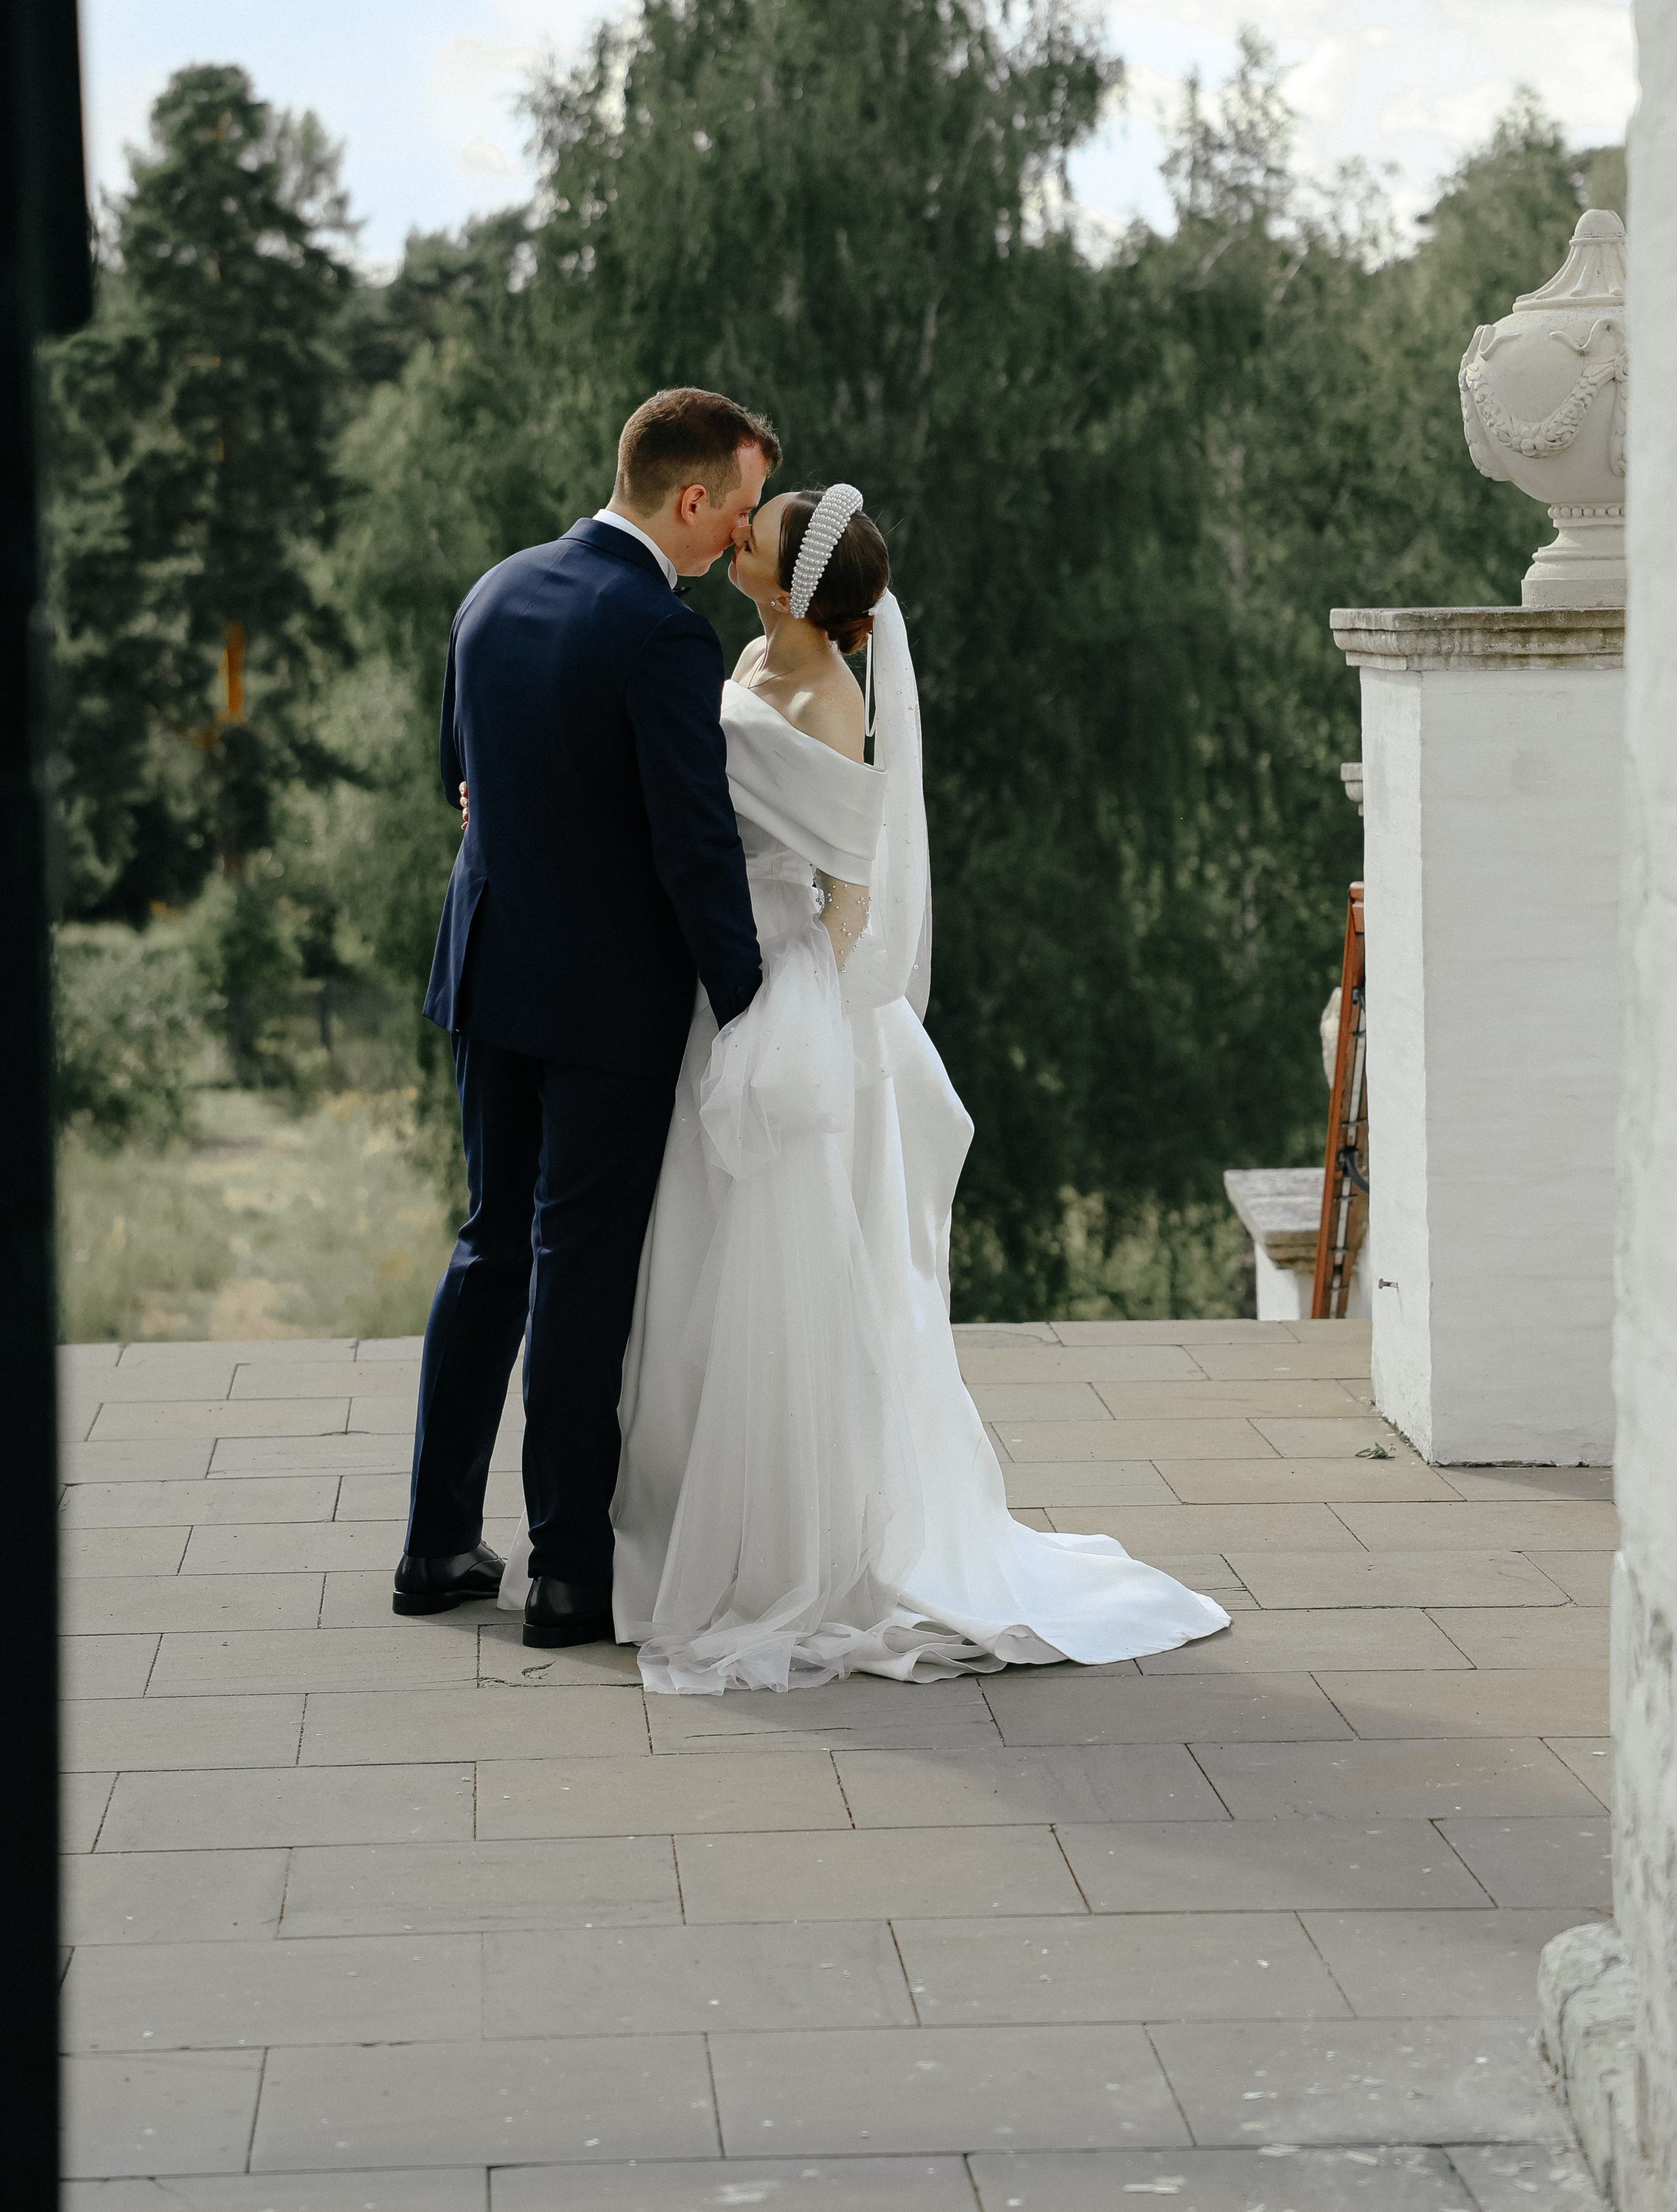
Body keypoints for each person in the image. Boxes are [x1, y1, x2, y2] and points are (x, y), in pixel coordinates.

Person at [588, 482, 1232, 1691]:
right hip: (720, 985)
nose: (741, 527)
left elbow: (854, 899)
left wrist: (794, 1025)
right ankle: (689, 1519)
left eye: (760, 527)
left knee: (785, 1273)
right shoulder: (747, 654)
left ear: (787, 583)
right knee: (696, 1262)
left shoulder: (833, 699)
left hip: (790, 999)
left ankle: (791, 1541)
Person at [395, 388, 776, 1651]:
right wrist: (753, 1005)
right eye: (733, 512)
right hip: (604, 1001)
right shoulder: (657, 636)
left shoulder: (492, 591)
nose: (736, 541)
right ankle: (567, 1575)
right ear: (689, 499)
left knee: (489, 1245)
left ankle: (434, 1545)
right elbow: (693, 847)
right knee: (577, 1267)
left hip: (487, 971)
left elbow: (458, 776)